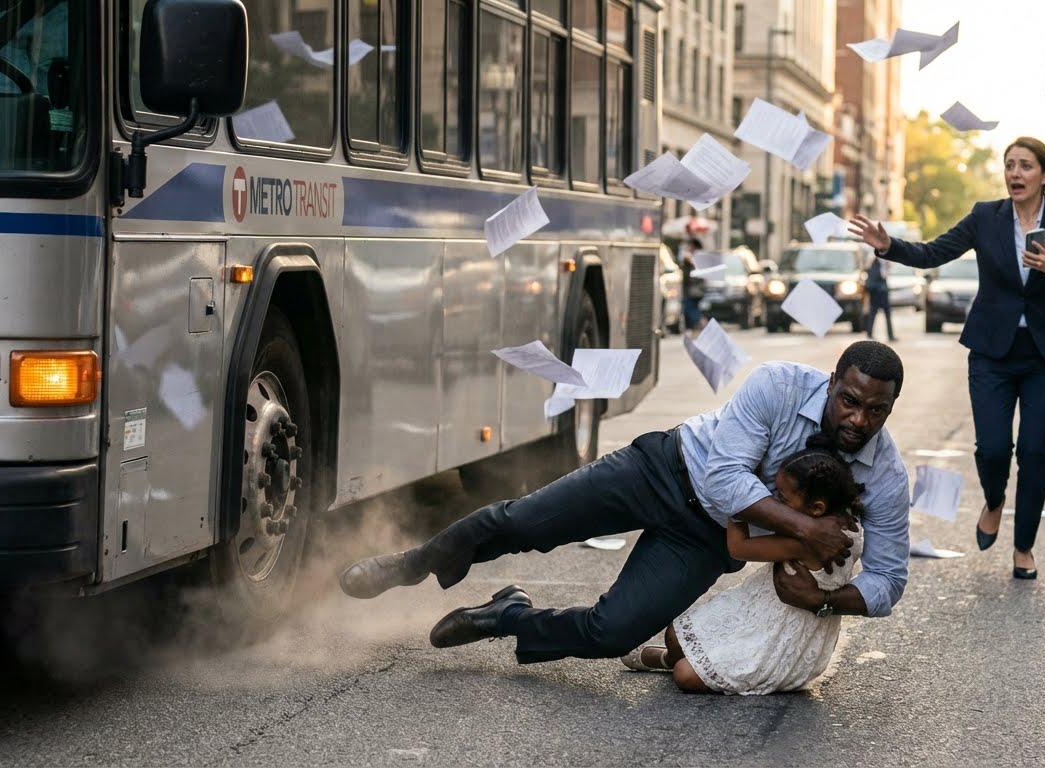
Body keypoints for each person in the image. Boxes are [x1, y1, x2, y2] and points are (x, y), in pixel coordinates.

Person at [338, 342, 910, 667]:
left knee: (612, 634)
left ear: (889, 410)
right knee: (524, 522)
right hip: (661, 469)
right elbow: (723, 477)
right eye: (850, 401)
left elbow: (890, 577)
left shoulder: (883, 473)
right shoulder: (780, 384)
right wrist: (807, 532)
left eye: (875, 412)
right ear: (832, 381)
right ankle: (409, 565)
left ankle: (509, 615)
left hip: (707, 539)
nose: (858, 420)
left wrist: (829, 601)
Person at [848, 136, 1045, 581]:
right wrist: (889, 246)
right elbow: (934, 252)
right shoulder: (986, 217)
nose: (1015, 173)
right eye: (1009, 165)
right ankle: (995, 498)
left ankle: (1024, 547)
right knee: (994, 447)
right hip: (992, 353)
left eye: (1025, 166)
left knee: (1036, 453)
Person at [619, 439, 866, 695]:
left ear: (817, 509)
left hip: (780, 640)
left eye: (782, 497)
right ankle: (672, 660)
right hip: (760, 609)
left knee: (685, 675)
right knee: (675, 635)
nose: (773, 501)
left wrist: (740, 496)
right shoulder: (841, 518)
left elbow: (739, 547)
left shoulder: (812, 540)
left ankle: (679, 664)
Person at [864, 254, 897, 342]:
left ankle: (889, 335)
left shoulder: (885, 259)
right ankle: (870, 333)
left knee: (884, 314)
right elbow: (878, 274)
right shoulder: (873, 259)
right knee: (874, 313)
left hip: (881, 291)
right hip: (877, 291)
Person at [680, 238, 706, 333]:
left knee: (690, 309)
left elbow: (695, 276)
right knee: (692, 309)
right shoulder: (693, 258)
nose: (688, 248)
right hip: (694, 290)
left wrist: (689, 263)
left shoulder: (696, 258)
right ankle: (698, 326)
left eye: (690, 246)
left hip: (694, 291)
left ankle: (702, 324)